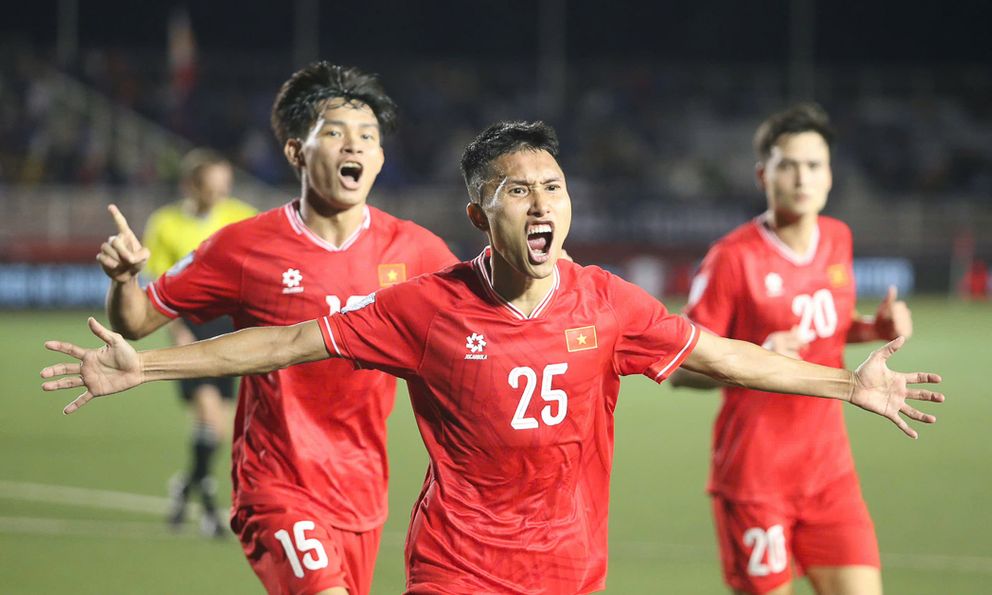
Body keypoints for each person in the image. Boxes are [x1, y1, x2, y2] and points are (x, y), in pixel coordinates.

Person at [42, 121, 943, 595]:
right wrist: (145, 366)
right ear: (482, 216)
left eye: (554, 186)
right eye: (520, 190)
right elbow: (285, 340)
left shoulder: (607, 303)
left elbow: (731, 357)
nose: (543, 202)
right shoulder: (425, 306)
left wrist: (847, 380)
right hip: (458, 569)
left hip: (570, 567)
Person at [93, 62, 457, 595]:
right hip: (276, 482)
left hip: (362, 489)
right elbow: (138, 320)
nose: (353, 146)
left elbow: (483, 330)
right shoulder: (244, 247)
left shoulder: (418, 252)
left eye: (368, 137)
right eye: (334, 133)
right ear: (295, 151)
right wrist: (125, 281)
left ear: (380, 158)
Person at [670, 104, 913, 595]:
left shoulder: (839, 238)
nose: (802, 177)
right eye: (788, 165)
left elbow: (824, 327)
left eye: (814, 165)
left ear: (829, 176)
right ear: (764, 175)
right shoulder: (731, 259)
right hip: (756, 479)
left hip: (830, 475)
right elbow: (682, 367)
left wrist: (870, 328)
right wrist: (759, 350)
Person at [113, 148, 257, 537]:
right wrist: (176, 332)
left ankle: (185, 486)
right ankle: (210, 508)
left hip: (229, 326)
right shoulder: (165, 223)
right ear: (192, 186)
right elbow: (157, 281)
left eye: (225, 185)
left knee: (217, 428)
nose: (221, 194)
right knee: (210, 417)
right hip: (190, 326)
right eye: (214, 186)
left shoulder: (240, 216)